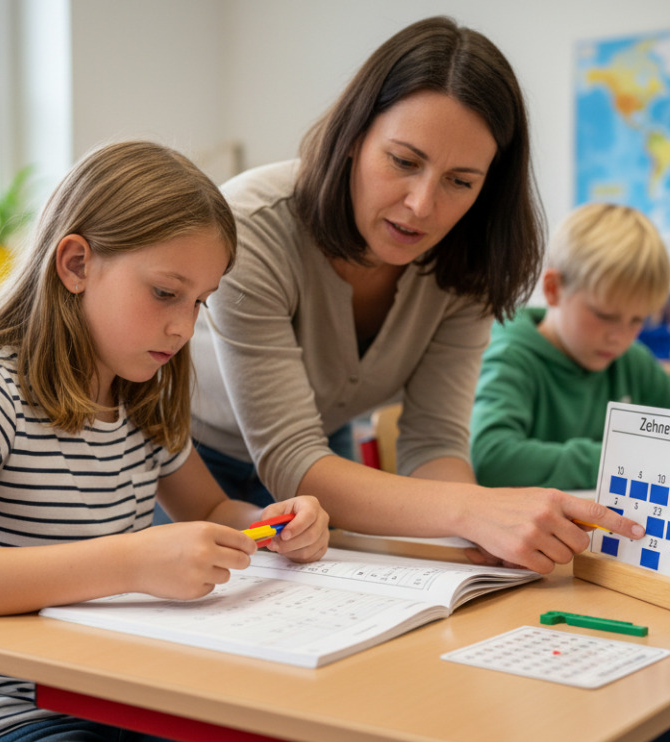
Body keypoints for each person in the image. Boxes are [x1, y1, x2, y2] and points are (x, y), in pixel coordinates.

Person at [0, 140, 329, 742]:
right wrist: (130, 562)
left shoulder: (141, 393)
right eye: (166, 292)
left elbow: (206, 511)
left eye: (200, 302)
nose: (182, 327)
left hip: (123, 697)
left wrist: (269, 524)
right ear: (78, 263)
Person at [190, 16, 644, 576]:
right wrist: (472, 509)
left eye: (461, 181)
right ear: (354, 137)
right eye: (404, 162)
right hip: (191, 465)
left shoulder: (469, 261)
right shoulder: (251, 226)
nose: (422, 206)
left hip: (327, 465)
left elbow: (434, 443)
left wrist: (475, 529)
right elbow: (290, 460)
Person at [471, 203, 670, 491]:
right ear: (554, 289)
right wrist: (626, 459)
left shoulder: (629, 360)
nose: (619, 337)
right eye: (605, 316)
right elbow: (491, 459)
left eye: (637, 320)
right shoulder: (511, 356)